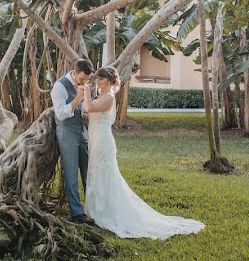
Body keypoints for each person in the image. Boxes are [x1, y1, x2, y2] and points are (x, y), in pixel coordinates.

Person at [83, 66, 205, 239]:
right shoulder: (101, 97)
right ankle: (96, 209)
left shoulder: (109, 97)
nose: (98, 81)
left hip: (103, 142)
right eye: (97, 78)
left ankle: (105, 211)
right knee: (96, 174)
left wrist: (86, 90)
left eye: (101, 79)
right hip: (95, 140)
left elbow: (89, 108)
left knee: (105, 175)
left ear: (110, 81)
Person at [50, 58, 96, 224]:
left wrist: (85, 111)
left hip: (81, 130)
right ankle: (77, 213)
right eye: (82, 78)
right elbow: (61, 114)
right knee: (71, 173)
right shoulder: (59, 86)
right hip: (66, 132)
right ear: (74, 72)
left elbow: (83, 108)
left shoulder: (85, 82)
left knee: (88, 170)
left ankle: (94, 207)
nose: (84, 82)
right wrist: (77, 98)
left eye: (87, 79)